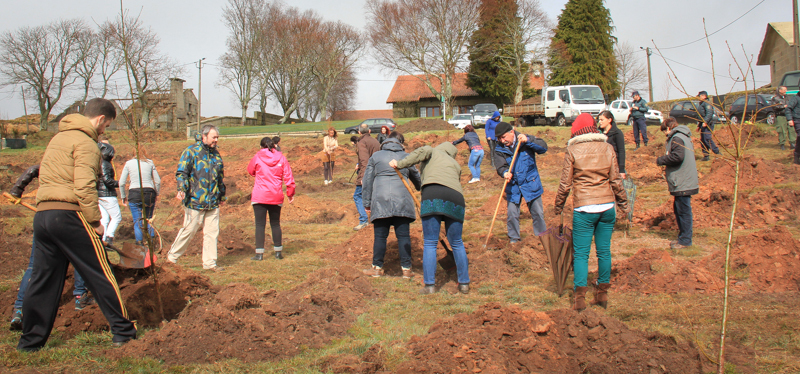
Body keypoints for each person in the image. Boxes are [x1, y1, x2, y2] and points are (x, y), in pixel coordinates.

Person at [19, 98, 136, 351]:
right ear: (101, 119)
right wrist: (95, 221)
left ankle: (30, 342)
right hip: (69, 216)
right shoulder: (87, 143)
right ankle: (124, 332)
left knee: (43, 279)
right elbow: (84, 186)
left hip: (43, 216)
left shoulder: (57, 139)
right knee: (100, 271)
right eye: (107, 126)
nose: (105, 131)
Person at [553, 113, 629, 311]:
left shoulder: (572, 150)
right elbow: (615, 180)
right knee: (604, 251)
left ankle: (579, 298)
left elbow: (565, 183)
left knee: (581, 254)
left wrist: (558, 206)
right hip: (607, 208)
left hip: (584, 209)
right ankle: (602, 295)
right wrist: (623, 204)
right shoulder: (608, 147)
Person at [390, 142, 470, 295]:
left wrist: (399, 164)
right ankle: (464, 283)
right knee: (457, 242)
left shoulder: (431, 151)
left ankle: (429, 286)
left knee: (430, 242)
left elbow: (419, 152)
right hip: (456, 198)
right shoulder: (455, 164)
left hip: (433, 194)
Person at [167, 124, 226, 271]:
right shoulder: (191, 152)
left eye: (217, 137)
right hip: (195, 201)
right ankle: (171, 258)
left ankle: (210, 263)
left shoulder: (216, 154)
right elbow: (182, 172)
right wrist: (181, 189)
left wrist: (222, 196)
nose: (216, 140)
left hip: (213, 202)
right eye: (214, 137)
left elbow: (219, 177)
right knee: (189, 230)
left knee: (212, 233)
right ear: (204, 136)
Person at [362, 131, 421, 279]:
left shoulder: (376, 156)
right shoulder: (407, 157)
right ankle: (406, 270)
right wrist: (420, 186)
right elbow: (418, 180)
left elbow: (367, 181)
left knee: (380, 236)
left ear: (386, 142)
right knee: (403, 236)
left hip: (381, 199)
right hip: (402, 200)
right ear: (401, 143)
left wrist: (367, 203)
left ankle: (377, 268)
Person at [492, 122, 548, 243]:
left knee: (537, 213)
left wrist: (528, 140)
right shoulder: (499, 149)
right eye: (499, 138)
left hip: (530, 183)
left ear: (512, 132)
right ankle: (514, 239)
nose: (502, 140)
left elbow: (543, 147)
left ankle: (542, 238)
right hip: (513, 186)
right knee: (512, 214)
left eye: (504, 137)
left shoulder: (525, 139)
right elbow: (500, 166)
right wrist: (504, 173)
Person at [248, 137, 295, 261]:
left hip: (260, 195)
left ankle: (259, 254)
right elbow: (289, 177)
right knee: (275, 224)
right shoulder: (281, 157)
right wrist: (290, 194)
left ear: (260, 147)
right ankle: (278, 252)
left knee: (259, 225)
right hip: (276, 195)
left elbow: (250, 170)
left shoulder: (257, 156)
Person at [656, 117, 699, 250]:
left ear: (669, 128)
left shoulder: (677, 138)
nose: (665, 134)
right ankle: (683, 237)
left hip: (682, 180)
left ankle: (685, 240)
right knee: (679, 209)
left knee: (683, 211)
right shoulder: (684, 136)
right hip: (684, 179)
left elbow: (678, 157)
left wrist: (661, 160)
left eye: (664, 131)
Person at [119, 145, 161, 246]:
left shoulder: (128, 164)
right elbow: (158, 181)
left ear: (133, 153)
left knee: (137, 221)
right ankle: (151, 242)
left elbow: (121, 183)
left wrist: (123, 196)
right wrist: (156, 193)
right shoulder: (150, 163)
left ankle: (139, 243)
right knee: (149, 219)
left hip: (134, 193)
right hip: (149, 193)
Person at [353, 123, 380, 231]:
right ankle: (376, 219)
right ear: (369, 131)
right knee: (374, 196)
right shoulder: (375, 141)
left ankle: (364, 220)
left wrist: (363, 177)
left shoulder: (361, 142)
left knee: (357, 195)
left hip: (367, 174)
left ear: (359, 132)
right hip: (377, 172)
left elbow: (365, 161)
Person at [96, 141, 121, 246]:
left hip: (99, 195)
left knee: (105, 218)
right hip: (107, 195)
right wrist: (119, 183)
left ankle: (103, 239)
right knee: (117, 217)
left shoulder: (98, 163)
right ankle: (109, 237)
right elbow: (107, 180)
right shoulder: (105, 164)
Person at [597, 110, 626, 179]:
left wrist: (621, 169)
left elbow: (621, 151)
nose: (600, 122)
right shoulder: (598, 133)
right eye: (599, 120)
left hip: (614, 165)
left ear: (609, 120)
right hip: (601, 166)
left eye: (602, 120)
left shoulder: (617, 133)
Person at [696, 91, 720, 161]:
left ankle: (717, 152)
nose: (699, 97)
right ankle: (706, 156)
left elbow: (709, 113)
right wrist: (699, 126)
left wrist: (705, 122)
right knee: (703, 140)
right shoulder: (701, 103)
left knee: (707, 139)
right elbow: (701, 116)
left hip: (708, 124)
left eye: (699, 96)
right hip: (703, 124)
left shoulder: (707, 103)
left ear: (704, 96)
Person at [772, 86, 796, 151]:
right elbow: (774, 106)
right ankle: (782, 144)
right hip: (781, 116)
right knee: (782, 130)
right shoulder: (775, 98)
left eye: (786, 89)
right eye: (784, 89)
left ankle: (792, 143)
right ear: (780, 90)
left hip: (789, 115)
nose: (785, 91)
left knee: (791, 129)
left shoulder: (788, 97)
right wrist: (783, 106)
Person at [786, 90, 800, 165]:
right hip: (798, 120)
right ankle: (797, 156)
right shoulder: (795, 98)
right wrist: (790, 119)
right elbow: (788, 109)